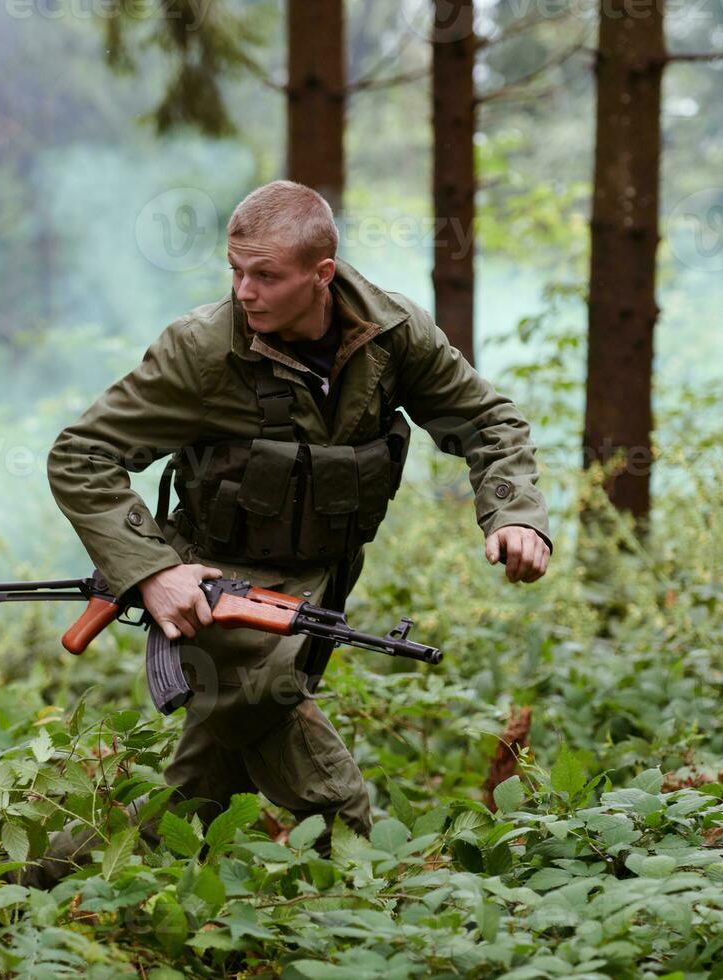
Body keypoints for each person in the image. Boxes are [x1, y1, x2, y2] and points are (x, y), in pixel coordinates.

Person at [40, 179, 552, 881]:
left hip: (318, 593)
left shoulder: (394, 338)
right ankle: (380, 909)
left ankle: (21, 886)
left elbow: (487, 421)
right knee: (332, 798)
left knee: (196, 799)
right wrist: (154, 572)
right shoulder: (202, 351)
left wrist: (515, 513)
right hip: (215, 595)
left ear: (322, 275)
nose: (245, 292)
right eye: (235, 270)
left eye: (266, 275)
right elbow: (82, 455)